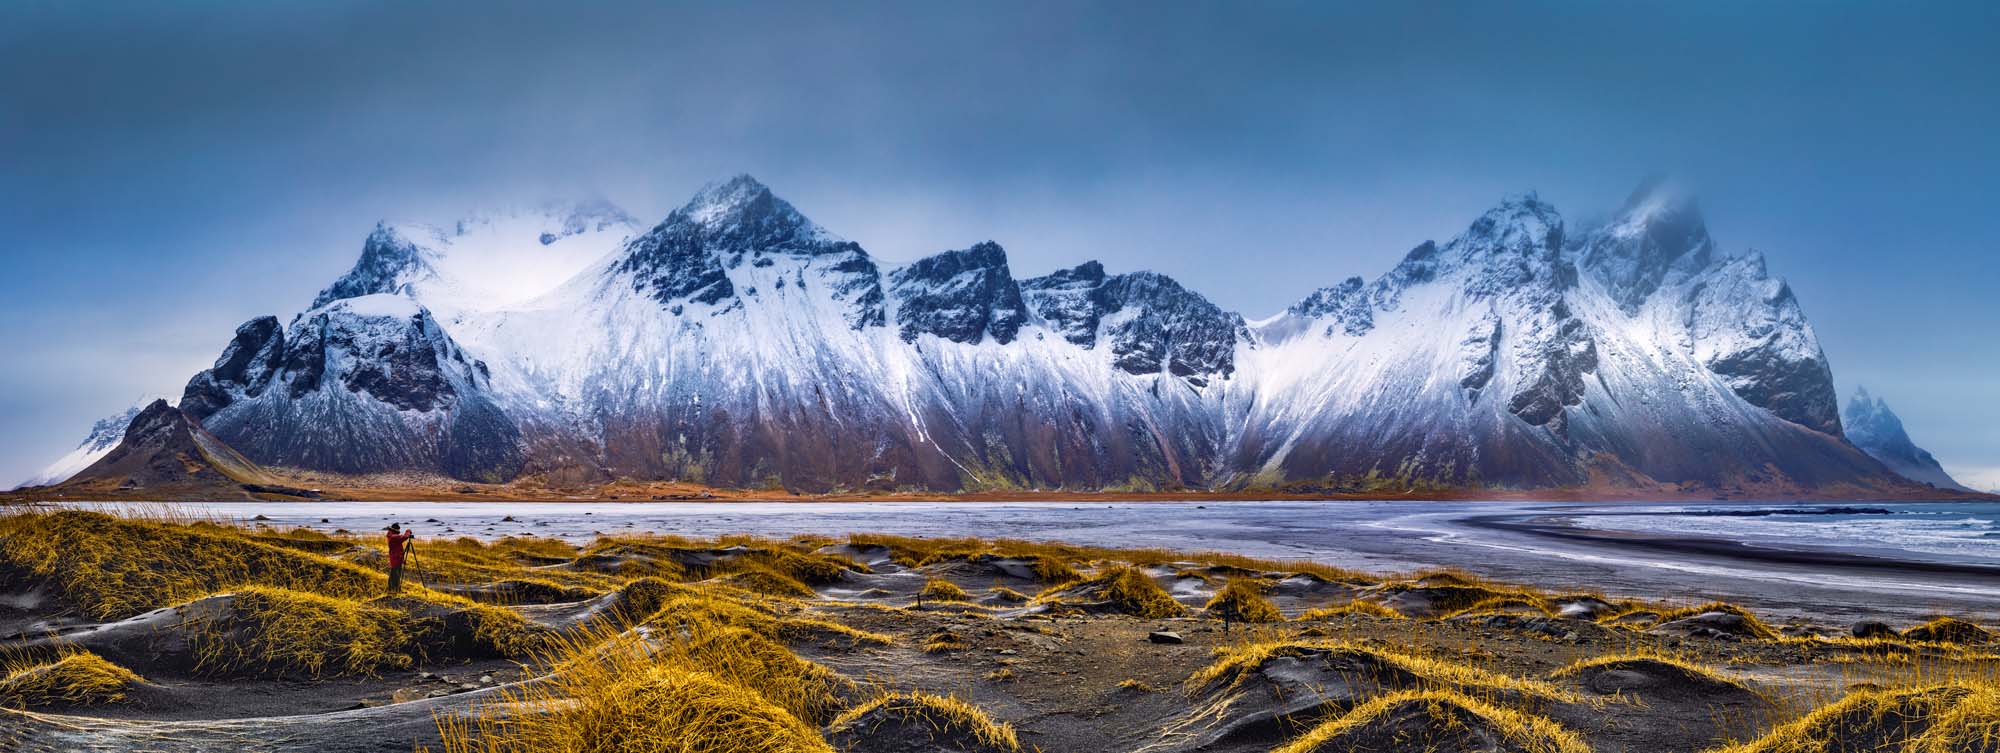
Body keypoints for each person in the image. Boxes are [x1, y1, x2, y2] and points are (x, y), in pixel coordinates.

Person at [384, 523, 416, 593]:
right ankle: (394, 590)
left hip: (395, 557)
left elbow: (401, 537)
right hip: (396, 558)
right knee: (396, 575)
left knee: (394, 575)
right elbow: (404, 537)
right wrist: (408, 531)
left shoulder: (391, 535)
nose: (399, 531)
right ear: (396, 530)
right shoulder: (394, 537)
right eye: (398, 530)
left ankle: (394, 589)